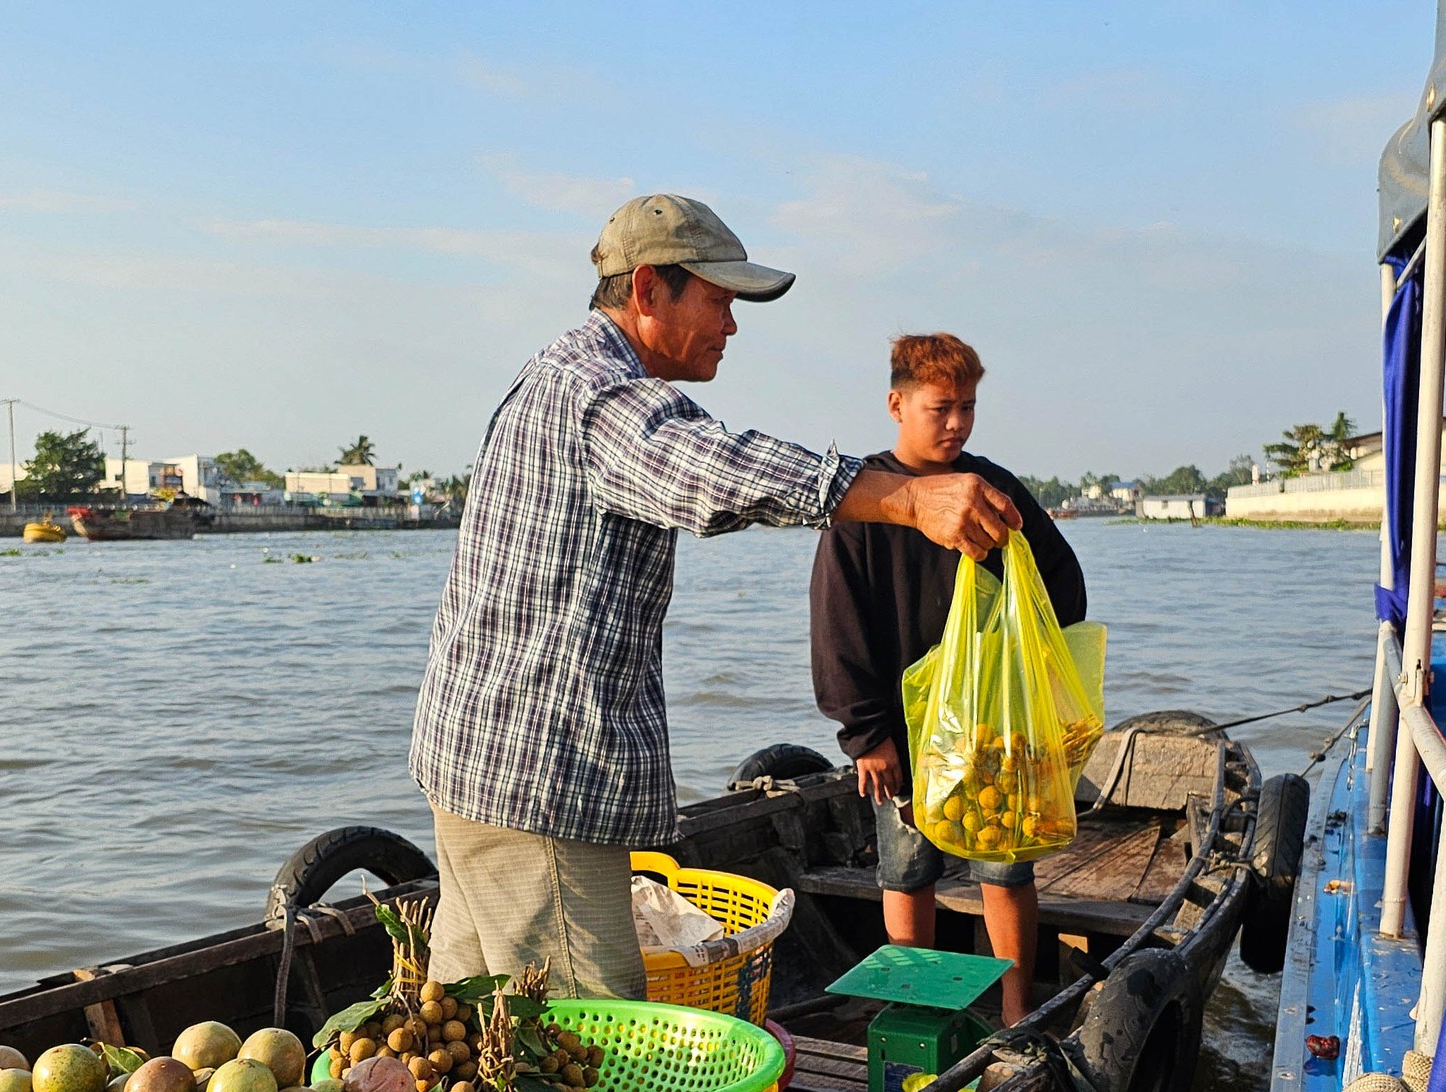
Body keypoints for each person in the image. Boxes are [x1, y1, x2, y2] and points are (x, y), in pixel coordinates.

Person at [411, 195, 1024, 998]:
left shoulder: (560, 372)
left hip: (479, 769)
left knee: (467, 1022)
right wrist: (909, 499)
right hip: (538, 790)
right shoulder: (602, 394)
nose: (731, 326)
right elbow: (713, 468)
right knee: (578, 1035)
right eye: (718, 300)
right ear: (647, 290)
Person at [809, 333, 1087, 1026]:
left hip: (990, 727)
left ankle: (1018, 1011)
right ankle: (917, 1015)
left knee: (1005, 867)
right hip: (901, 735)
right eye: (941, 408)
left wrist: (1030, 667)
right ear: (897, 403)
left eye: (967, 407)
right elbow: (836, 624)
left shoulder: (992, 489)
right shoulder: (864, 504)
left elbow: (1060, 582)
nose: (957, 423)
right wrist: (865, 732)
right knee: (906, 869)